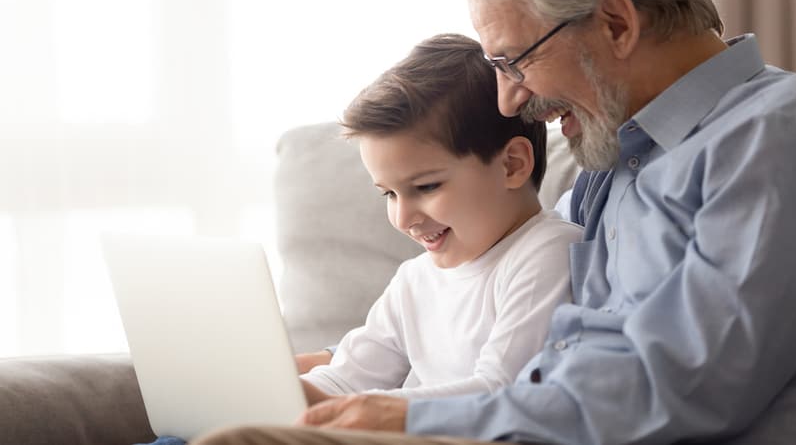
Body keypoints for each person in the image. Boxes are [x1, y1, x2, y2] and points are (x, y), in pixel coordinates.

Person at [191, 0, 796, 443]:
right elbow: (491, 283)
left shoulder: (771, 136)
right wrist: (316, 364)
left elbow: (686, 386)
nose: (510, 101)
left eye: (514, 62)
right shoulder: (612, 156)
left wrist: (411, 415)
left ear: (616, 23)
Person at [144, 33, 582, 445]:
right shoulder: (415, 279)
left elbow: (499, 390)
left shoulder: (548, 252)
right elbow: (347, 375)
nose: (404, 217)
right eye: (389, 194)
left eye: (426, 187)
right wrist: (284, 393)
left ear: (511, 165)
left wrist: (342, 407)